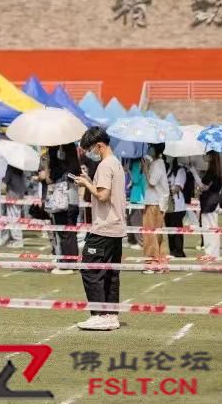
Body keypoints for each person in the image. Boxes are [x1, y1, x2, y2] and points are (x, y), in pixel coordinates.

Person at [73, 126, 126, 331]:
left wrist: (86, 184)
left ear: (99, 145)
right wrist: (88, 181)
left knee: (90, 269)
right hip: (116, 226)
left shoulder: (105, 165)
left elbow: (103, 195)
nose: (89, 153)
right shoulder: (116, 163)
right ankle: (111, 315)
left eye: (89, 149)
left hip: (104, 227)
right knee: (111, 274)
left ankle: (99, 314)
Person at [39, 144, 81, 274]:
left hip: (61, 201)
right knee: (71, 232)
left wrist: (46, 163)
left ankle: (66, 265)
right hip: (73, 199)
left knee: (63, 233)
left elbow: (49, 179)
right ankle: (72, 263)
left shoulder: (57, 160)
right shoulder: (73, 161)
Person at [142, 144, 169, 268]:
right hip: (154, 202)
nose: (149, 150)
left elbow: (152, 182)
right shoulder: (156, 163)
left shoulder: (158, 164)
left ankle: (151, 261)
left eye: (151, 147)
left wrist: (145, 168)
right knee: (157, 233)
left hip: (154, 203)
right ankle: (160, 260)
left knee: (150, 233)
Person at [164, 156, 195, 258]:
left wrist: (165, 190)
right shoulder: (167, 169)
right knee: (169, 228)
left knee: (176, 228)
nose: (167, 158)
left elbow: (178, 187)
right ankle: (172, 250)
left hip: (177, 205)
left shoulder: (180, 170)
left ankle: (179, 251)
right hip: (168, 204)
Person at [198, 151, 222, 258]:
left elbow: (202, 186)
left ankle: (210, 253)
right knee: (213, 227)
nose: (204, 156)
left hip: (209, 202)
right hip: (213, 201)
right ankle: (213, 253)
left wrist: (193, 172)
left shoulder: (211, 172)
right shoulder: (217, 171)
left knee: (208, 227)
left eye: (206, 155)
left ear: (211, 157)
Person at [0, 165, 28, 248]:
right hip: (19, 193)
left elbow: (3, 185)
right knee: (14, 217)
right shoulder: (19, 166)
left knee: (13, 218)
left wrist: (0, 190)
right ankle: (10, 238)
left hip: (13, 194)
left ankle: (17, 240)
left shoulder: (10, 167)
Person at [126, 158, 145, 251]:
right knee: (131, 219)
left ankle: (141, 243)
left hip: (138, 197)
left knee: (136, 220)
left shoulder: (137, 164)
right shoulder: (138, 163)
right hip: (136, 195)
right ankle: (133, 240)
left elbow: (136, 179)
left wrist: (128, 170)